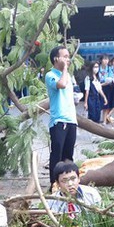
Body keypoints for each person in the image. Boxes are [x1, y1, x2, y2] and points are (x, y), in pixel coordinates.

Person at [45, 45, 78, 186]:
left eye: (68, 56)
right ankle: (54, 184)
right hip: (59, 121)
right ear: (55, 58)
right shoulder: (50, 75)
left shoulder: (68, 76)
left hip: (71, 119)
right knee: (57, 155)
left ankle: (69, 183)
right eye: (64, 56)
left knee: (68, 155)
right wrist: (64, 68)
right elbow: (61, 85)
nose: (67, 59)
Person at [98, 55, 114, 125]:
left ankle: (104, 121)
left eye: (107, 59)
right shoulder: (98, 68)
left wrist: (101, 85)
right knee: (98, 103)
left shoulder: (109, 69)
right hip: (98, 86)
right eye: (104, 59)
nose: (106, 61)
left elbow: (110, 80)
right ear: (101, 60)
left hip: (106, 87)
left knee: (105, 104)